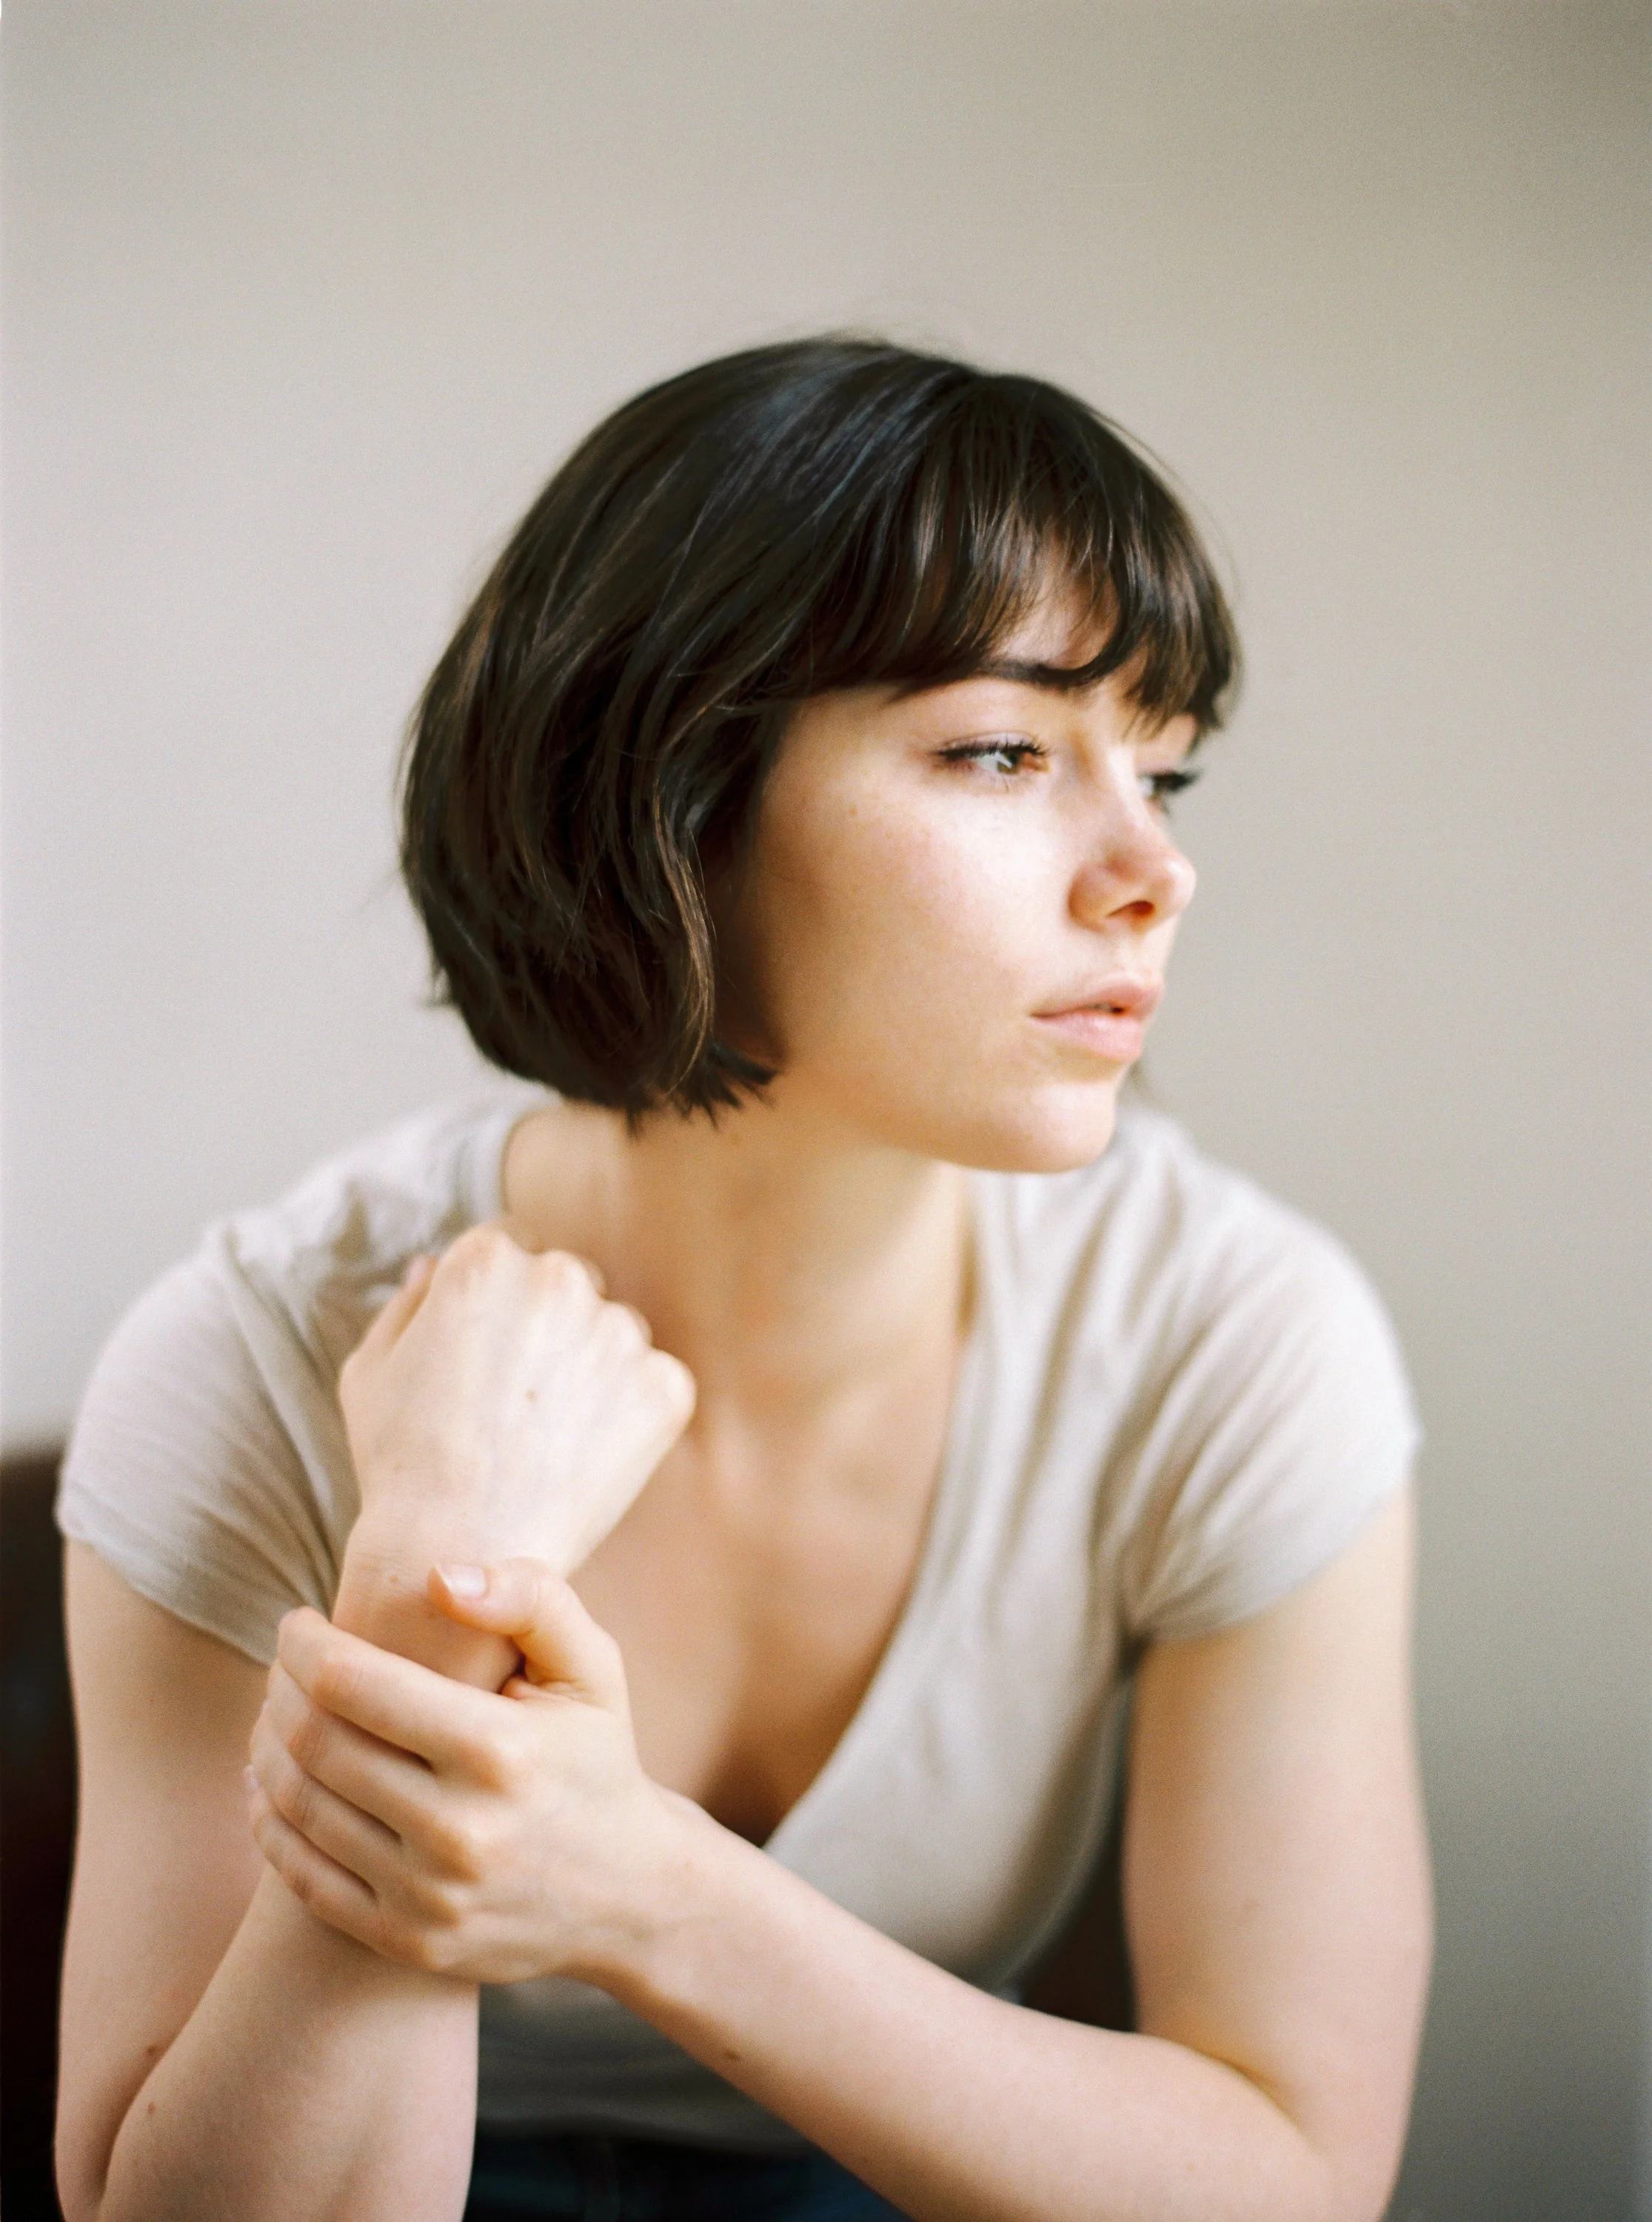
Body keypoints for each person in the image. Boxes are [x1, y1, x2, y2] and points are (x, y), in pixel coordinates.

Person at [53, 338, 1431, 2222]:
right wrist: (433, 1590)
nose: (1148, 873)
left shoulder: (1229, 1342)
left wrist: (641, 1887)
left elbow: (1292, 2177)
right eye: (1003, 751)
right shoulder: (250, 1360)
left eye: (1165, 771)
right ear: (671, 802)